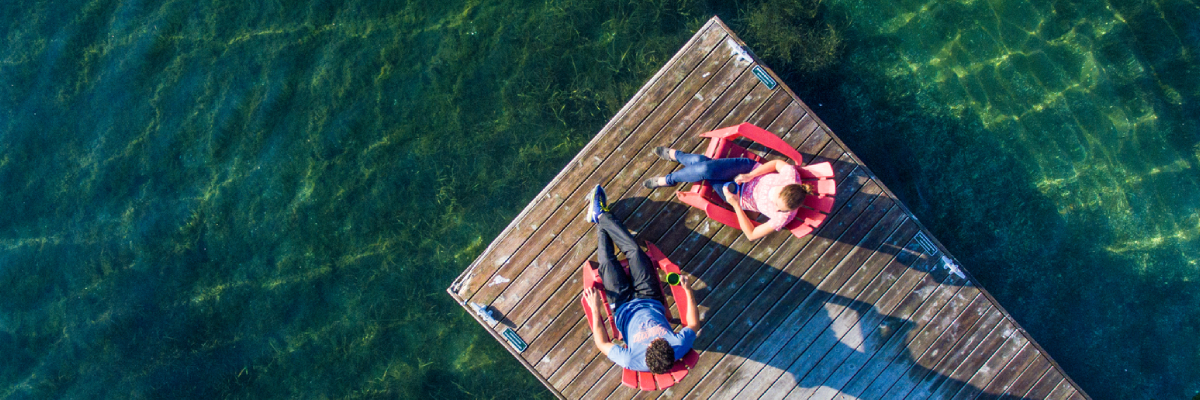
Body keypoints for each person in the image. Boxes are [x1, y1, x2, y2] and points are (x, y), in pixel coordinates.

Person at [581, 184, 699, 374]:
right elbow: (693, 324)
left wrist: (595, 308)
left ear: (648, 351)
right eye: (662, 339)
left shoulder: (631, 360)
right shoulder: (678, 346)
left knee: (607, 263)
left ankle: (601, 216)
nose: (657, 337)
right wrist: (689, 291)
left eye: (653, 342)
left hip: (622, 306)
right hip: (650, 296)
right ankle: (600, 216)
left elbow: (602, 343)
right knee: (635, 252)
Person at [643, 146, 814, 240]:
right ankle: (669, 178)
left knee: (703, 165)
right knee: (704, 168)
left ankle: (677, 159)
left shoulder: (783, 217)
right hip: (747, 170)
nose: (775, 208)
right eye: (777, 202)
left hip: (736, 194)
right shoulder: (791, 177)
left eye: (779, 208)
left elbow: (751, 235)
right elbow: (776, 163)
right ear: (785, 187)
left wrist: (736, 205)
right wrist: (751, 175)